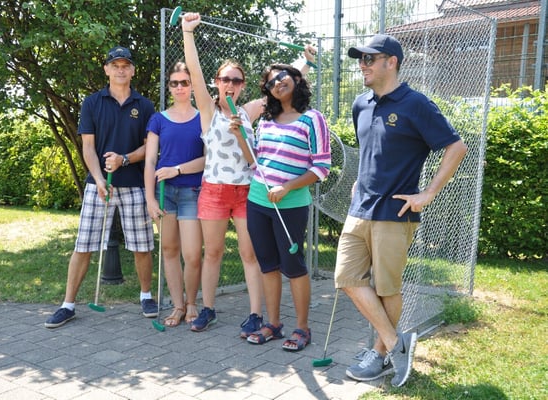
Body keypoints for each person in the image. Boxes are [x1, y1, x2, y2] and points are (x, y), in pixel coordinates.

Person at [336, 34, 468, 386]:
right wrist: (359, 179)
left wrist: (428, 193)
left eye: (369, 59)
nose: (362, 65)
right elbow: (371, 150)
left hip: (395, 213)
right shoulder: (361, 104)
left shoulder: (416, 104)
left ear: (391, 62)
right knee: (346, 278)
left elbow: (456, 147)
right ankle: (397, 344)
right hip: (359, 208)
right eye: (360, 59)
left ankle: (380, 354)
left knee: (386, 288)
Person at [181, 12, 318, 336]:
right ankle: (208, 309)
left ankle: (256, 315)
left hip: (247, 191)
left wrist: (307, 61)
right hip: (214, 191)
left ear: (242, 86)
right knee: (213, 253)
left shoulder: (249, 111)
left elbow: (282, 82)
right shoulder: (208, 110)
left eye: (237, 80)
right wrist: (188, 33)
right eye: (225, 79)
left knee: (250, 254)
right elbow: (195, 72)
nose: (230, 84)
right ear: (217, 82)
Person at [45, 46, 157, 329]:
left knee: (142, 246)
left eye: (125, 65)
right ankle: (68, 305)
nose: (120, 70)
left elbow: (150, 147)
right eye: (115, 65)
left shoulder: (144, 106)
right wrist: (97, 179)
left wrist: (124, 159)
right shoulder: (92, 102)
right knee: (83, 246)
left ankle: (146, 296)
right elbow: (88, 147)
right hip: (99, 187)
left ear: (132, 70)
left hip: (134, 185)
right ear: (106, 69)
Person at [236, 65, 331, 352]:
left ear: (296, 78)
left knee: (293, 266)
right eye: (270, 83)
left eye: (281, 76)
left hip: (290, 205)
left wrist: (287, 187)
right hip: (258, 201)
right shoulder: (266, 120)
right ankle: (274, 324)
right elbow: (255, 161)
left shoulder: (312, 119)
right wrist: (239, 134)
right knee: (268, 264)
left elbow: (322, 168)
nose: (277, 83)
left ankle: (302, 328)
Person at [145, 61, 205, 327]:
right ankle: (178, 306)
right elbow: (150, 162)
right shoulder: (158, 119)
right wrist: (149, 199)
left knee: (192, 254)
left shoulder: (203, 117)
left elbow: (207, 160)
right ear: (168, 86)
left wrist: (177, 170)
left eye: (184, 82)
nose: (179, 87)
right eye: (174, 83)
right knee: (169, 250)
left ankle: (192, 303)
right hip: (164, 193)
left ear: (192, 85)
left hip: (192, 191)